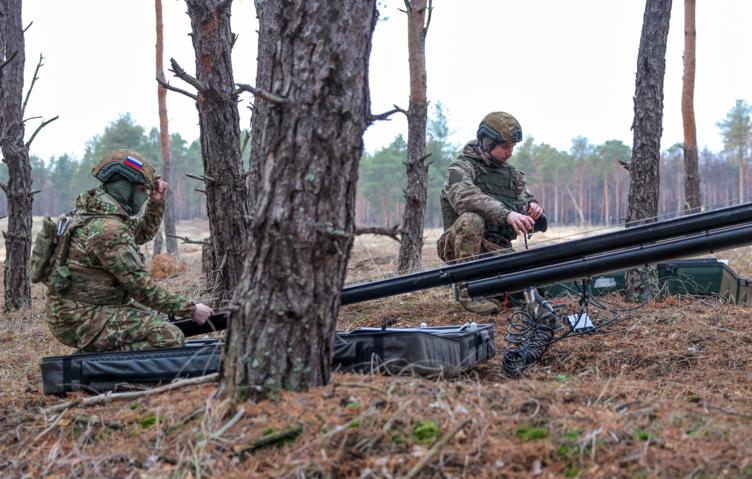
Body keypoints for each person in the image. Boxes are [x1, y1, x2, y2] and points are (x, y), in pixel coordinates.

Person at [44, 150, 213, 352]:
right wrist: (191, 309)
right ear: (125, 188)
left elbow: (141, 233)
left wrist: (156, 202)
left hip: (82, 308)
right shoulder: (107, 228)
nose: (145, 195)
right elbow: (140, 287)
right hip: (79, 317)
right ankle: (86, 367)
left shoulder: (98, 215)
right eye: (143, 190)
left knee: (156, 321)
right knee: (168, 337)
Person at [437, 112, 543, 314]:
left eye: (512, 147)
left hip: (497, 249)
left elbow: (525, 200)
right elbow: (464, 197)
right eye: (505, 147)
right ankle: (468, 292)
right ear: (487, 142)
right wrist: (506, 215)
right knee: (472, 219)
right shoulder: (461, 168)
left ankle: (492, 289)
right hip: (457, 245)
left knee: (532, 289)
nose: (510, 152)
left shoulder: (514, 176)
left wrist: (533, 208)